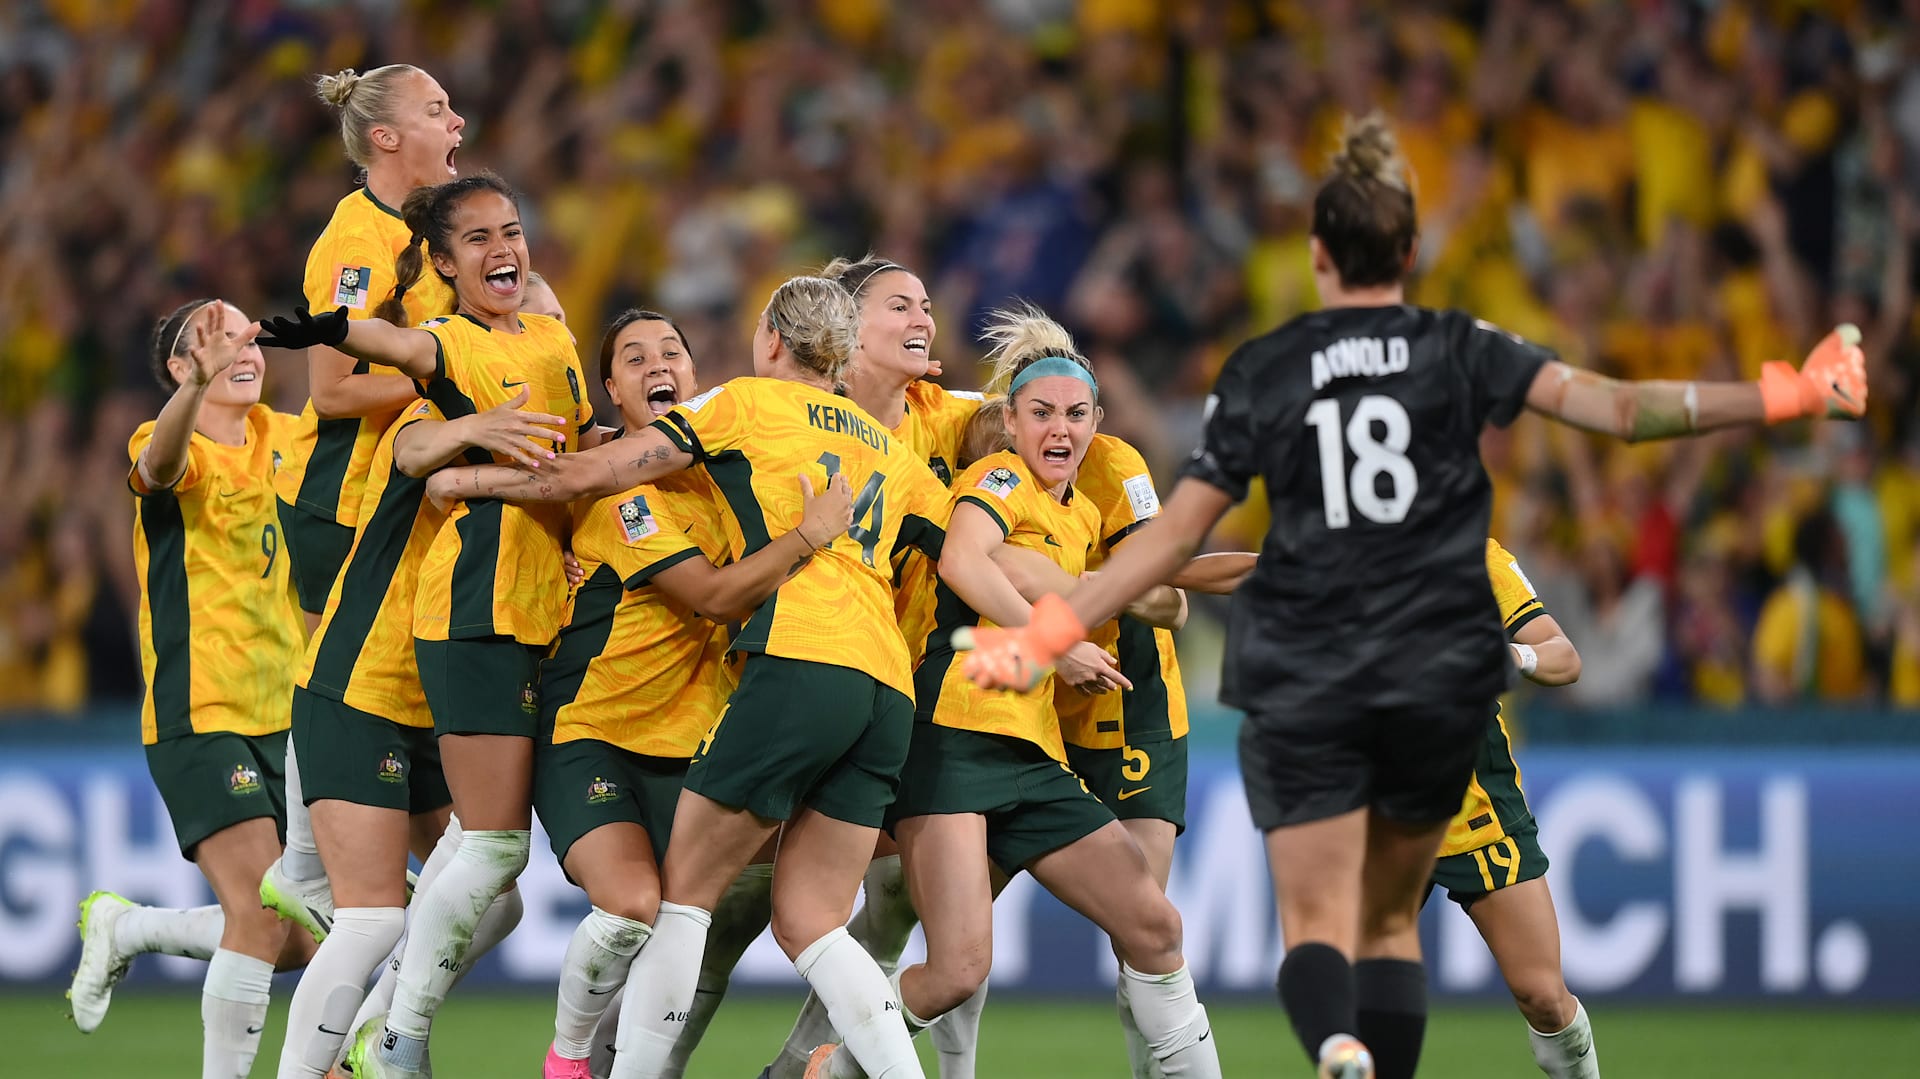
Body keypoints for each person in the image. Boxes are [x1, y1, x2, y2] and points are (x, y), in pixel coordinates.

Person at [953, 114, 1867, 1079]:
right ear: (1413, 252)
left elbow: (1172, 544)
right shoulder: (1459, 345)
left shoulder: (1267, 370)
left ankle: (1342, 1047)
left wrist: (1041, 632)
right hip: (1425, 686)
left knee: (1335, 933)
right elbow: (1623, 410)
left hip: (1323, 690)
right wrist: (1788, 394)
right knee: (1382, 927)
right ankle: (1361, 1048)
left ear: (1314, 258)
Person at [426, 275, 955, 1079]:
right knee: (814, 923)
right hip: (885, 689)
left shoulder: (741, 403)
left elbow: (590, 476)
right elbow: (965, 566)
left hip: (798, 661)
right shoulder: (895, 452)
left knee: (683, 900)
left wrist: (466, 479)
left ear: (771, 341)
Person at [811, 307, 1217, 1079]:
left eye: (1073, 414)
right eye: (1041, 414)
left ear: (1096, 420)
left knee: (1155, 925)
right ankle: (836, 1068)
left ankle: (834, 1065)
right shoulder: (995, 477)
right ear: (1011, 422)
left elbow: (1166, 594)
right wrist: (1056, 642)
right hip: (955, 735)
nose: (1058, 430)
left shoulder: (1086, 510)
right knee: (959, 965)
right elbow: (964, 562)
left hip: (1033, 749)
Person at [254, 171, 591, 1079]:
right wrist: (333, 333)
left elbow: (568, 439)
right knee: (374, 916)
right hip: (364, 679)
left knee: (497, 897)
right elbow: (402, 369)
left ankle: (373, 1037)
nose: (502, 250)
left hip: (439, 684)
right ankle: (343, 1055)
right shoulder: (432, 385)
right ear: (442, 266)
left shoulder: (546, 350)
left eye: (512, 232)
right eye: (476, 240)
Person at [536, 308, 854, 1079]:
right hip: (599, 735)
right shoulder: (626, 498)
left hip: (697, 750)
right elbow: (713, 597)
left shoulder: (729, 483)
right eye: (635, 359)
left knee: (694, 923)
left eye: (672, 351)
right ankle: (567, 1059)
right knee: (630, 910)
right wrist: (806, 538)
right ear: (611, 390)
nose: (658, 366)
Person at [70, 300, 316, 1078]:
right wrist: (194, 391)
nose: (240, 348)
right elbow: (158, 471)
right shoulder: (167, 438)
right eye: (213, 342)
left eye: (247, 334)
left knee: (302, 938)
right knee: (257, 912)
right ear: (180, 368)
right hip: (201, 711)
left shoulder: (285, 436)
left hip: (289, 721)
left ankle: (131, 927)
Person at [761, 254, 990, 1079]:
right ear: (848, 329)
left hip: (898, 690)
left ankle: (796, 1070)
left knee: (894, 905)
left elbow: (1043, 409)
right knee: (727, 912)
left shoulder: (948, 416)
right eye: (902, 304)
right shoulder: (785, 410)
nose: (925, 316)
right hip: (784, 672)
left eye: (927, 302)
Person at [262, 61, 465, 950]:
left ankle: (333, 868)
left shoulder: (422, 230)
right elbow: (335, 387)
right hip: (339, 499)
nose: (457, 118)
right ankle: (305, 864)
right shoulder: (358, 238)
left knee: (367, 670)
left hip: (398, 499)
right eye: (437, 109)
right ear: (386, 138)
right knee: (339, 669)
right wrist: (456, 380)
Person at [1422, 539, 1596, 1079]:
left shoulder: (1478, 559)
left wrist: (1514, 656)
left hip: (1470, 806)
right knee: (1355, 998)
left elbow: (1563, 657)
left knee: (1543, 996)